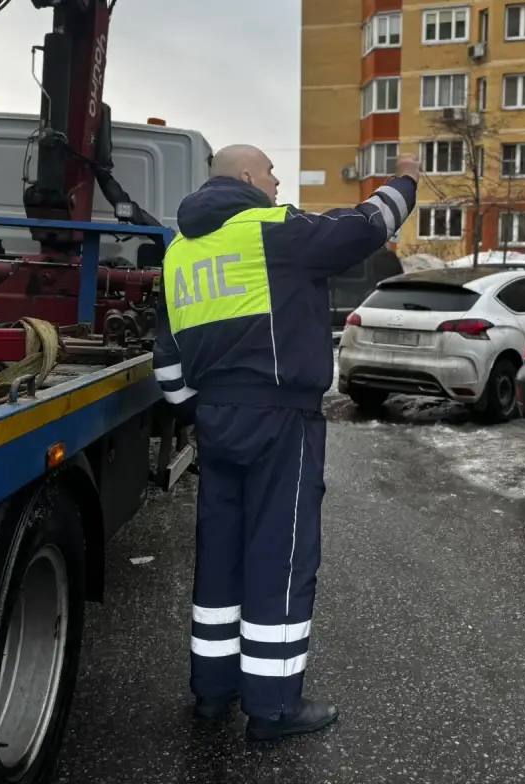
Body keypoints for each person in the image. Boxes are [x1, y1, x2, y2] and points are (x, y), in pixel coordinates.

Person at [153, 144, 419, 741]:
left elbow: (166, 355)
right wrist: (406, 181)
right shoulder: (270, 228)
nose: (277, 182)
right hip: (280, 418)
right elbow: (365, 226)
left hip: (216, 419)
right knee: (281, 554)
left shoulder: (179, 251)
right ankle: (272, 708)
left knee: (220, 558)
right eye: (271, 171)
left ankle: (212, 694)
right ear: (247, 176)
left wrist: (198, 412)